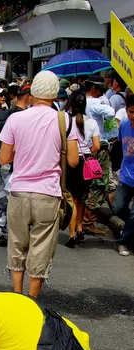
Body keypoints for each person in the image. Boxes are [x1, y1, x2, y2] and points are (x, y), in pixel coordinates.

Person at [0, 71, 79, 298]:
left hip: (19, 190)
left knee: (16, 245)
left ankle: (16, 295)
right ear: (55, 94)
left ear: (32, 92)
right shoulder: (64, 120)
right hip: (49, 193)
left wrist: (23, 149)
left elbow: (4, 158)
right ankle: (32, 301)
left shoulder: (15, 118)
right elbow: (73, 160)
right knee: (41, 247)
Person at [0, 83, 31, 248]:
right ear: (27, 97)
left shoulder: (5, 115)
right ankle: (17, 235)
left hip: (4, 161)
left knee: (2, 197)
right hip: (20, 164)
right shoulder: (25, 118)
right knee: (19, 201)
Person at [65, 91, 100, 248]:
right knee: (81, 198)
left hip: (71, 163)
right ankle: (80, 228)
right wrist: (87, 152)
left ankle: (71, 234)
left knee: (71, 199)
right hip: (87, 164)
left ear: (71, 105)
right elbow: (97, 146)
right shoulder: (92, 123)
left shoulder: (67, 122)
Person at [83, 76, 116, 234]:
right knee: (99, 184)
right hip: (99, 146)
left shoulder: (80, 101)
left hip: (85, 147)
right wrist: (105, 101)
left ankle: (84, 220)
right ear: (94, 89)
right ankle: (88, 222)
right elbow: (110, 112)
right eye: (100, 90)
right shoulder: (94, 102)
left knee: (89, 183)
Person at [112, 95, 134, 256]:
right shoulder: (125, 124)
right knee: (118, 208)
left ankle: (124, 242)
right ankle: (129, 228)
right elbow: (120, 144)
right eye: (131, 112)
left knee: (133, 214)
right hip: (126, 176)